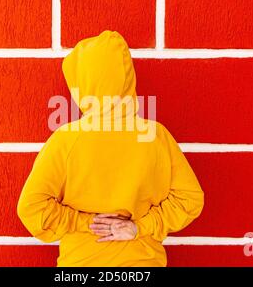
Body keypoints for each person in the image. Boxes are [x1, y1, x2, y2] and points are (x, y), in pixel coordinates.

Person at [17, 30, 204, 267]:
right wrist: (139, 228)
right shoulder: (155, 136)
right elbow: (190, 199)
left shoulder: (66, 140)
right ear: (127, 77)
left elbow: (31, 208)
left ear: (81, 83)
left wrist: (86, 223)